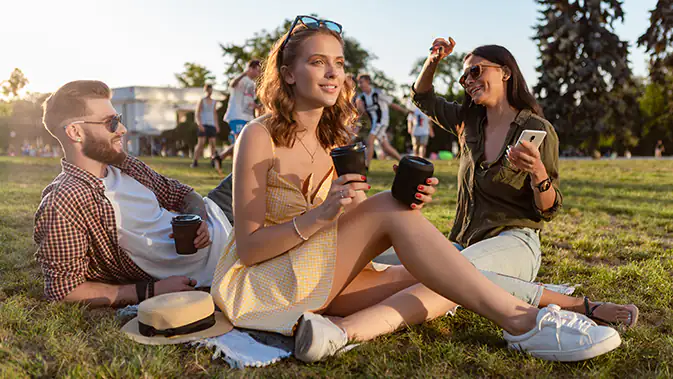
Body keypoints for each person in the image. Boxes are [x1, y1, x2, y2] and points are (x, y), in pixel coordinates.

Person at [209, 16, 622, 364]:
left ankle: (337, 333)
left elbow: (342, 225)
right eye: (318, 63)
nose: (334, 73)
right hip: (264, 284)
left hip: (316, 275)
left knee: (445, 274)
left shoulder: (332, 139)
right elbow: (249, 249)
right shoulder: (258, 136)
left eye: (338, 62)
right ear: (287, 73)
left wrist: (381, 207)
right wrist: (328, 213)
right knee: (402, 220)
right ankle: (523, 323)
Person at [408, 37, 637, 329]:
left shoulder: (537, 130)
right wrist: (434, 59)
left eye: (476, 71)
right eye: (464, 76)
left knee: (447, 272)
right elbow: (422, 97)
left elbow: (547, 210)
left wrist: (538, 172)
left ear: (505, 72)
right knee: (401, 259)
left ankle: (579, 306)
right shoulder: (467, 120)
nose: (468, 80)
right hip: (464, 244)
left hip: (515, 242)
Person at [34, 80, 234, 307]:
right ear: (75, 131)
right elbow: (64, 290)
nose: (122, 129)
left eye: (118, 120)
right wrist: (151, 290)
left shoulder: (124, 165)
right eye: (111, 123)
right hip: (220, 256)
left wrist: (200, 218)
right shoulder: (65, 199)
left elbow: (184, 195)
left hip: (218, 211)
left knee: (272, 145)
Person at [356, 74, 410, 168]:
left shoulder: (378, 93)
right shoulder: (362, 98)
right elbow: (363, 112)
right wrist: (360, 109)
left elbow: (391, 104)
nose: (359, 85)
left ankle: (366, 166)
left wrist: (404, 110)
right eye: (358, 83)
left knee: (370, 140)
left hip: (381, 122)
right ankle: (404, 163)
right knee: (386, 147)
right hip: (375, 124)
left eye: (361, 82)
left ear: (368, 82)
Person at [217, 60, 262, 164]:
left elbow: (249, 100)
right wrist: (244, 73)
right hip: (237, 115)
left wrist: (256, 107)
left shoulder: (252, 84)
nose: (259, 74)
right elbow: (232, 84)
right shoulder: (241, 79)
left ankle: (220, 158)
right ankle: (233, 164)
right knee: (240, 142)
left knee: (244, 142)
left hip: (247, 117)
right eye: (258, 71)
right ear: (251, 69)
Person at [191, 84, 220, 168]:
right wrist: (199, 124)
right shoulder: (202, 100)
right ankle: (195, 161)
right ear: (206, 90)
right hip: (203, 124)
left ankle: (212, 161)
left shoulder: (214, 101)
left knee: (213, 144)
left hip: (212, 125)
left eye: (211, 90)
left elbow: (214, 113)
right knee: (201, 144)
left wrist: (217, 125)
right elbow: (197, 113)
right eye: (208, 90)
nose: (210, 92)